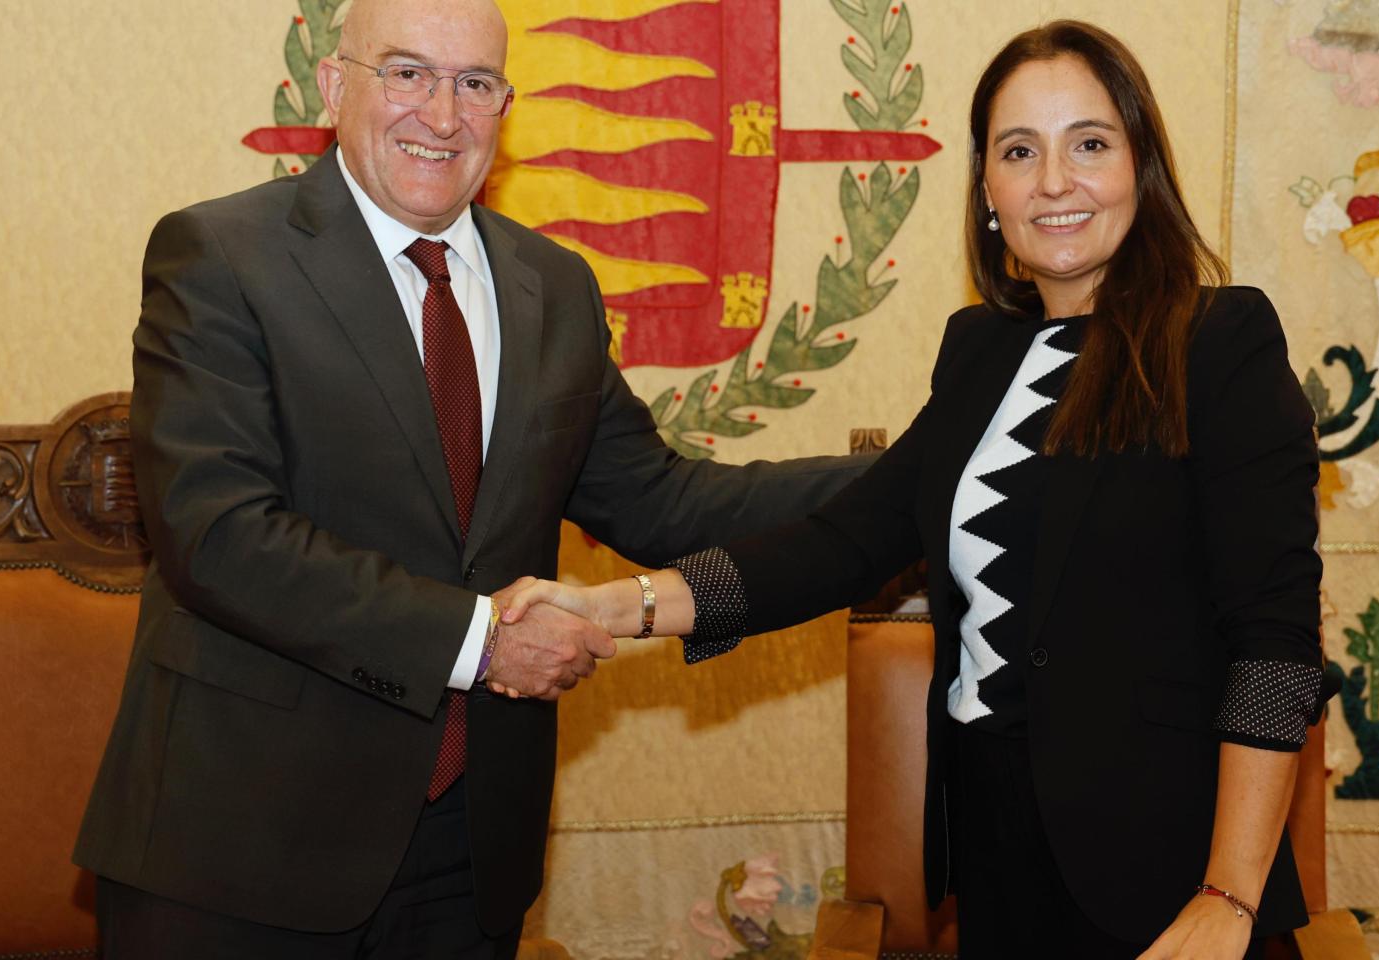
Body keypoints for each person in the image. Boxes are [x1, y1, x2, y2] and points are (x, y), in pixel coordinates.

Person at [501, 20, 1323, 960]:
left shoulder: (1220, 341)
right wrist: (611, 605)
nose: (1055, 181)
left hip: (1173, 882)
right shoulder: (978, 356)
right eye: (1021, 151)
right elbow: (835, 545)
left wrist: (1231, 894)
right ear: (988, 192)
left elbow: (1277, 645)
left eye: (1089, 144)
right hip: (996, 870)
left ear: (1143, 165)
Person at [72, 0, 864, 955]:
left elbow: (662, 503)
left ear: (505, 105)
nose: (442, 115)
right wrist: (481, 640)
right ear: (334, 86)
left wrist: (904, 482)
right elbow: (218, 536)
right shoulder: (223, 256)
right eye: (406, 73)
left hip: (470, 849)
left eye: (475, 84)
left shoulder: (553, 285)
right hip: (240, 844)